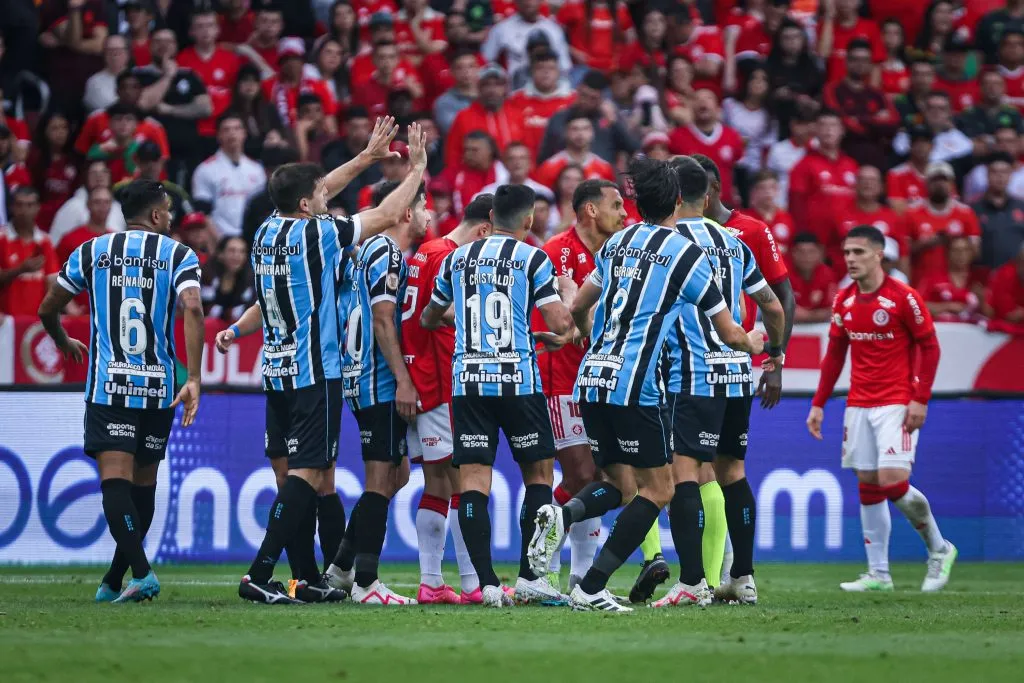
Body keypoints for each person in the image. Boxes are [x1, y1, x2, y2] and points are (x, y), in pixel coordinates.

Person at [527, 156, 762, 612]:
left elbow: (579, 305)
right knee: (660, 490)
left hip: (591, 376)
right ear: (678, 200)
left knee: (620, 486)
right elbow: (729, 332)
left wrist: (583, 333)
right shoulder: (687, 255)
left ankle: (561, 513)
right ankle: (591, 587)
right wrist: (754, 342)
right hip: (634, 386)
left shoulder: (618, 244)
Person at [229, 117, 429, 604]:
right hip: (315, 370)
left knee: (315, 478)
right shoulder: (316, 237)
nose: (327, 197)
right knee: (310, 473)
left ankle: (306, 578)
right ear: (306, 207)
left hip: (275, 370)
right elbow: (384, 216)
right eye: (318, 196)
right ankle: (260, 572)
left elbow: (316, 190)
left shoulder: (266, 231)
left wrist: (364, 158)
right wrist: (416, 170)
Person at [37, 179, 205, 603]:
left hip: (110, 384)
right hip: (158, 387)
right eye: (167, 210)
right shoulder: (178, 254)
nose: (170, 217)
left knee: (115, 484)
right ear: (154, 216)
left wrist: (61, 340)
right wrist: (195, 378)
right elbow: (194, 308)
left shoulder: (92, 251)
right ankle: (117, 579)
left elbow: (47, 307)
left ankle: (134, 574)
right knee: (143, 485)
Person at [420, 184, 573, 608]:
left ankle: (486, 584)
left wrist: (468, 318)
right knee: (539, 477)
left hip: (468, 384)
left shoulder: (458, 258)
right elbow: (561, 323)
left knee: (472, 484)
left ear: (490, 218)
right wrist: (570, 295)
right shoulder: (533, 258)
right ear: (528, 220)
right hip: (519, 383)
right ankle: (528, 577)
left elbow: (429, 316)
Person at [651, 156, 786, 608]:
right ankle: (743, 577)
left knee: (683, 473)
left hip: (691, 374)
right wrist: (774, 355)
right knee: (733, 472)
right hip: (736, 375)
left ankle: (692, 583)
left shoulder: (666, 242)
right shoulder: (733, 242)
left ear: (672, 196)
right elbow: (773, 306)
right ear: (706, 196)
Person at [807, 224, 957, 593]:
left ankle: (940, 548)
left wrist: (920, 397)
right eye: (846, 253)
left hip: (896, 403)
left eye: (858, 252)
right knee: (869, 484)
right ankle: (879, 574)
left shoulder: (903, 298)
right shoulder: (843, 300)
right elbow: (835, 356)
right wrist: (818, 403)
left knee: (892, 482)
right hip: (858, 403)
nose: (851, 260)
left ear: (879, 254)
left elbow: (930, 346)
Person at [332, 178, 431, 606]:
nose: (430, 216)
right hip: (378, 380)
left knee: (399, 474)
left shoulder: (362, 250)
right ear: (407, 211)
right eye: (426, 207)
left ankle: (340, 566)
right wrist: (403, 380)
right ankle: (367, 582)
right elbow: (383, 319)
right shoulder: (387, 252)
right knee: (379, 480)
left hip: (357, 374)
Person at [399, 194, 495, 604]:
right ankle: (469, 583)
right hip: (438, 381)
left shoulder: (427, 251)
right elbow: (434, 317)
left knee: (438, 483)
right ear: (484, 230)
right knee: (456, 482)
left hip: (419, 376)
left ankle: (433, 581)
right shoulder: (448, 257)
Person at [533, 179, 627, 593]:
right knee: (584, 474)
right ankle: (539, 570)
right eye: (617, 205)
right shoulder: (556, 252)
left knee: (605, 476)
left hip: (604, 382)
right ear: (591, 210)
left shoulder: (622, 252)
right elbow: (557, 325)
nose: (625, 214)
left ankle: (577, 577)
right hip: (562, 380)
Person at [136, 29, 214, 184]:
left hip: (188, 150)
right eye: (158, 41)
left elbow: (205, 108)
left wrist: (170, 110)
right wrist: (168, 75)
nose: (163, 46)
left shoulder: (189, 75)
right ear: (150, 46)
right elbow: (143, 103)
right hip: (151, 153)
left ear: (176, 46)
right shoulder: (140, 74)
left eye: (168, 41)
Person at [822, 39, 898, 169]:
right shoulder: (832, 90)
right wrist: (875, 121)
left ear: (870, 64)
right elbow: (841, 123)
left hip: (877, 159)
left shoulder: (878, 94)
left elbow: (893, 122)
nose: (860, 64)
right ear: (846, 62)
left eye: (864, 60)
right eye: (855, 59)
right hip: (844, 157)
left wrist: (859, 119)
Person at [788, 109, 859, 245]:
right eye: (823, 125)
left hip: (848, 239)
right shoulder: (803, 165)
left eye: (833, 126)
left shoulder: (851, 165)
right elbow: (796, 206)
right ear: (816, 130)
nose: (828, 130)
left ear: (842, 130)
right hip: (816, 242)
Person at [191, 113, 267, 237]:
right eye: (226, 130)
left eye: (237, 128)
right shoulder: (205, 170)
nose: (232, 134)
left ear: (244, 133)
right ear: (218, 135)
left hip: (253, 239)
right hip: (221, 238)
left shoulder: (257, 169)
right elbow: (203, 214)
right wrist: (219, 244)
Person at [905, 161, 981, 285]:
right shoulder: (912, 212)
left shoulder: (966, 213)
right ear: (926, 184)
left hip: (957, 284)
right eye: (935, 180)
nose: (939, 184)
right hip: (922, 282)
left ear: (952, 184)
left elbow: (976, 252)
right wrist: (926, 243)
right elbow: (904, 252)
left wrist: (956, 244)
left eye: (944, 180)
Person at [668, 90, 746, 206]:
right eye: (697, 99)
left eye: (709, 98)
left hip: (725, 206)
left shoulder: (732, 136)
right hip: (689, 206)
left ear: (718, 107)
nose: (703, 101)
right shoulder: (677, 136)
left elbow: (740, 175)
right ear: (691, 106)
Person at [443, 64, 523, 168]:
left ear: (505, 88)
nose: (492, 90)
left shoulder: (517, 115)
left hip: (512, 178)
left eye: (497, 84)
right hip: (475, 177)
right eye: (486, 84)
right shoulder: (464, 117)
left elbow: (528, 151)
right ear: (478, 88)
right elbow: (453, 155)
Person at [0, 187, 59, 317]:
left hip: (35, 322)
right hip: (5, 322)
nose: (24, 210)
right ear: (11, 207)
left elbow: (52, 284)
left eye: (30, 205)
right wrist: (20, 270)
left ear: (38, 208)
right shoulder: (1, 238)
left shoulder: (45, 241)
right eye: (19, 205)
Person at [481, 0, 572, 77]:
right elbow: (486, 60)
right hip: (512, 87)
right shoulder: (501, 29)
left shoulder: (553, 29)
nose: (528, 2)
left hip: (546, 86)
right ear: (516, 2)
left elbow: (564, 66)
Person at [533, 111, 616, 190]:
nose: (580, 133)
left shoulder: (604, 168)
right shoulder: (549, 167)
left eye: (585, 128)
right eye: (574, 129)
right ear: (565, 132)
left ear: (592, 133)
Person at [50, 161, 128, 245]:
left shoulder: (119, 208)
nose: (99, 176)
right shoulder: (72, 207)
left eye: (104, 172)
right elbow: (57, 242)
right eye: (94, 173)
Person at [973, 152, 1024, 269]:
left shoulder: (1022, 206)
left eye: (1005, 172)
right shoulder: (974, 209)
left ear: (1011, 175)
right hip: (984, 276)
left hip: (1016, 278)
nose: (1000, 176)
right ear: (987, 174)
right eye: (995, 172)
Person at [201, 236, 256, 322]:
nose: (237, 255)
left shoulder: (252, 280)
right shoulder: (208, 276)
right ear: (220, 254)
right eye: (232, 250)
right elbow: (205, 310)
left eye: (242, 251)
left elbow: (250, 312)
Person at [789, 233, 839, 323]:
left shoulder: (827, 274)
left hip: (820, 326)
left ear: (819, 253)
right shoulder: (783, 274)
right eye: (801, 252)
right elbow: (778, 310)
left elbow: (832, 309)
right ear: (793, 253)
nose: (806, 257)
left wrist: (807, 316)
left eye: (811, 252)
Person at [83, 34, 130, 113]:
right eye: (110, 51)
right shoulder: (94, 82)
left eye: (119, 51)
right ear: (104, 54)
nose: (115, 55)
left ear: (127, 54)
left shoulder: (137, 78)